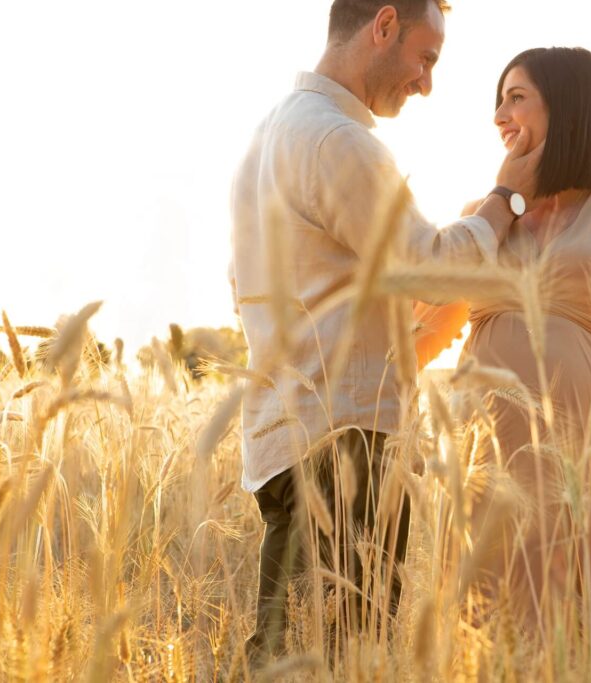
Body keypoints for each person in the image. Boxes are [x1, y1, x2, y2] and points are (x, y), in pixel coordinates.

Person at [228, 0, 542, 663]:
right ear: (384, 25)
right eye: (426, 58)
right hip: (344, 448)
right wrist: (505, 198)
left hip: (289, 442)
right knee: (342, 659)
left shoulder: (269, 135)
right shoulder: (336, 140)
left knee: (293, 655)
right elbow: (424, 266)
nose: (427, 82)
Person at [416, 47, 591, 670]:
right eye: (498, 100)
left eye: (516, 97)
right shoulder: (479, 222)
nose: (499, 117)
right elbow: (424, 327)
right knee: (497, 635)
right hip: (492, 467)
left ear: (566, 108)